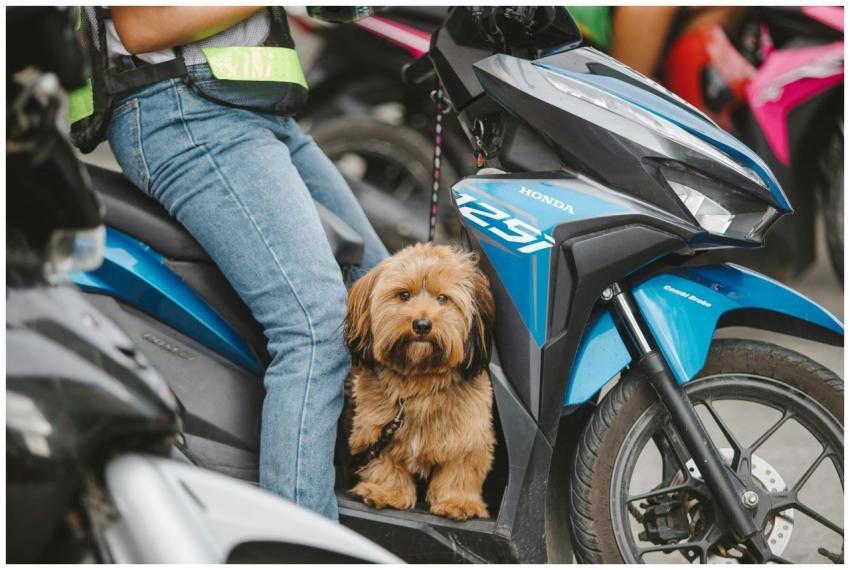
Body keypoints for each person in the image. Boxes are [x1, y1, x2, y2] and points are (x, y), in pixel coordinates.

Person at [104, 6, 388, 520]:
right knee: (317, 325)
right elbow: (139, 27)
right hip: (183, 114)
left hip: (261, 114)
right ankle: (299, 548)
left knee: (385, 295)